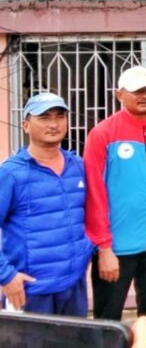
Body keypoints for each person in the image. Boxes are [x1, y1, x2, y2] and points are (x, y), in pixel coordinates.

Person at [83, 66, 146, 347]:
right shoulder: (103, 133)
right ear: (120, 94)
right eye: (137, 91)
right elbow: (94, 193)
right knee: (108, 323)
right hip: (116, 249)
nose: (145, 96)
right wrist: (104, 247)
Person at [0, 93, 93, 315]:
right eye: (44, 117)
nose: (53, 124)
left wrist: (87, 250)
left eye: (60, 116)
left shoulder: (77, 165)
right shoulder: (11, 173)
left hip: (73, 287)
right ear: (26, 125)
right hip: (31, 290)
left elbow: (91, 214)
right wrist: (6, 275)